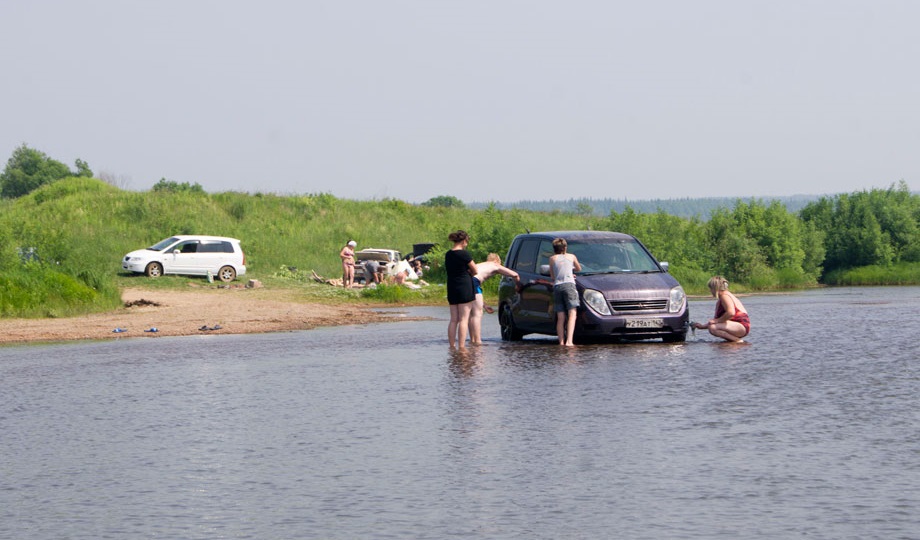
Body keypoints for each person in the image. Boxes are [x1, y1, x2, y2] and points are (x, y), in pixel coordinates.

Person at [469, 253, 520, 344]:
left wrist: (485, 305)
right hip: (474, 282)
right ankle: (478, 341)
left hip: (467, 281)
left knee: (472, 313)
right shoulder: (495, 265)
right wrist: (517, 286)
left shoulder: (480, 265)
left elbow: (475, 294)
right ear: (496, 260)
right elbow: (515, 274)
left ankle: (472, 339)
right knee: (477, 314)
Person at [692, 276, 750, 342]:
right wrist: (702, 326)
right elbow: (717, 321)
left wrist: (717, 321)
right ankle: (732, 342)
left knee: (713, 328)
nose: (710, 291)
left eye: (711, 288)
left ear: (715, 288)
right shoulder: (722, 298)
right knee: (713, 326)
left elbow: (731, 313)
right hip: (737, 326)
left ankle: (737, 341)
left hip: (741, 326)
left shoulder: (724, 296)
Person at [445, 230, 477, 349]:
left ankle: (452, 346)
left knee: (453, 319)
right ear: (463, 241)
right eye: (466, 242)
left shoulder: (448, 254)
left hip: (452, 286)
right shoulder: (465, 254)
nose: (466, 244)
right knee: (464, 319)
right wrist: (469, 273)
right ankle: (462, 347)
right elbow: (475, 270)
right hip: (464, 286)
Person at [550, 237, 581, 346]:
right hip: (569, 285)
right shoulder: (571, 256)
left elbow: (553, 276)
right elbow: (578, 268)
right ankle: (569, 341)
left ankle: (561, 341)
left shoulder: (552, 259)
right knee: (572, 313)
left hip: (557, 286)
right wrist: (571, 272)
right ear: (565, 247)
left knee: (561, 316)